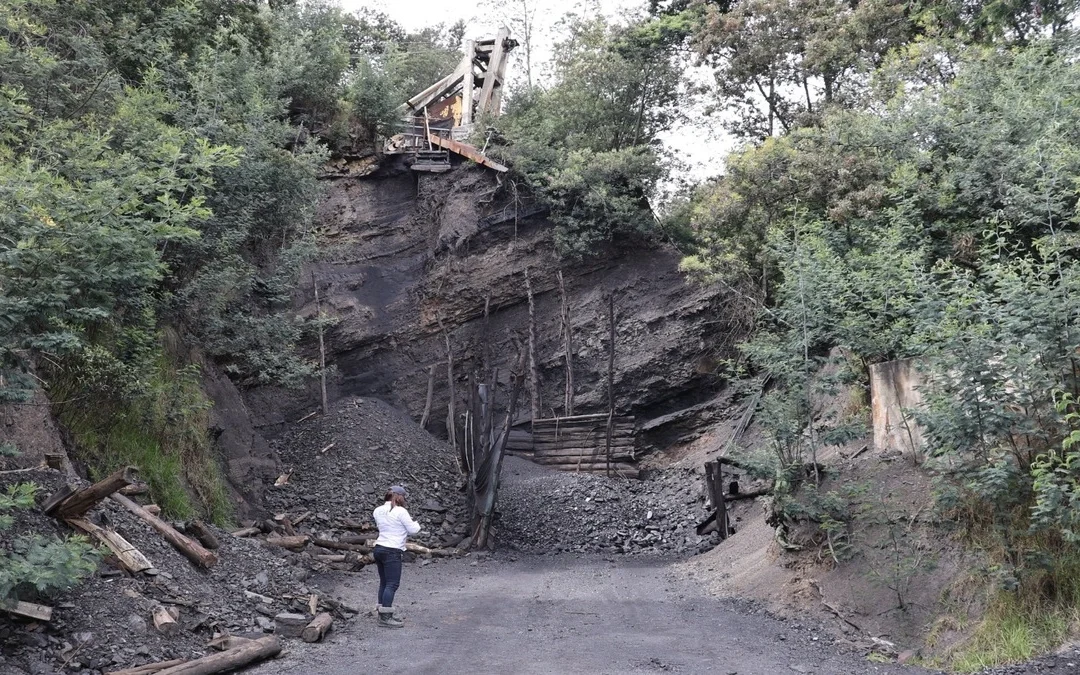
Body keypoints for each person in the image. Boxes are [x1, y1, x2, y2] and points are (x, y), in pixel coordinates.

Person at [372, 485, 421, 628]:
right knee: (392, 584)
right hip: (392, 550)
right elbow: (413, 530)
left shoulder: (377, 510)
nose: (405, 500)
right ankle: (386, 617)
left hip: (379, 548)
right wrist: (417, 523)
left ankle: (381, 610)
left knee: (384, 582)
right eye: (404, 497)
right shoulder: (401, 511)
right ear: (399, 497)